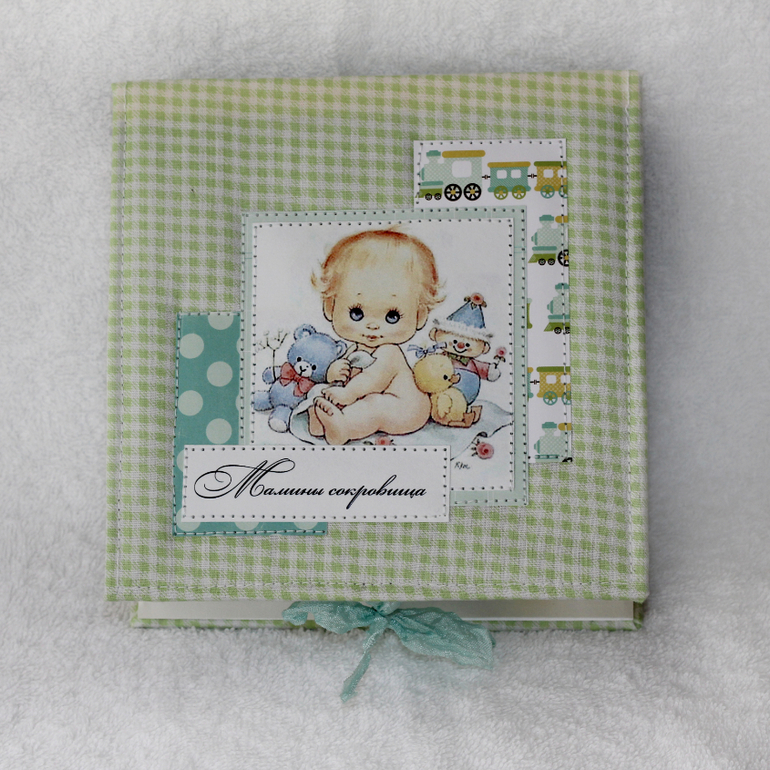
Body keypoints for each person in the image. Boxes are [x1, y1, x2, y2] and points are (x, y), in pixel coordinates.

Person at [308, 229, 444, 445]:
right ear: (330, 307)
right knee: (328, 394)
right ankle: (323, 423)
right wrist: (335, 372)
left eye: (392, 316)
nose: (372, 326)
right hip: (368, 396)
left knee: (373, 405)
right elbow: (351, 377)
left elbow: (372, 380)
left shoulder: (389, 353)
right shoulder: (354, 350)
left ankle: (344, 429)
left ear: (419, 316)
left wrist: (347, 394)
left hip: (405, 409)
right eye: (357, 313)